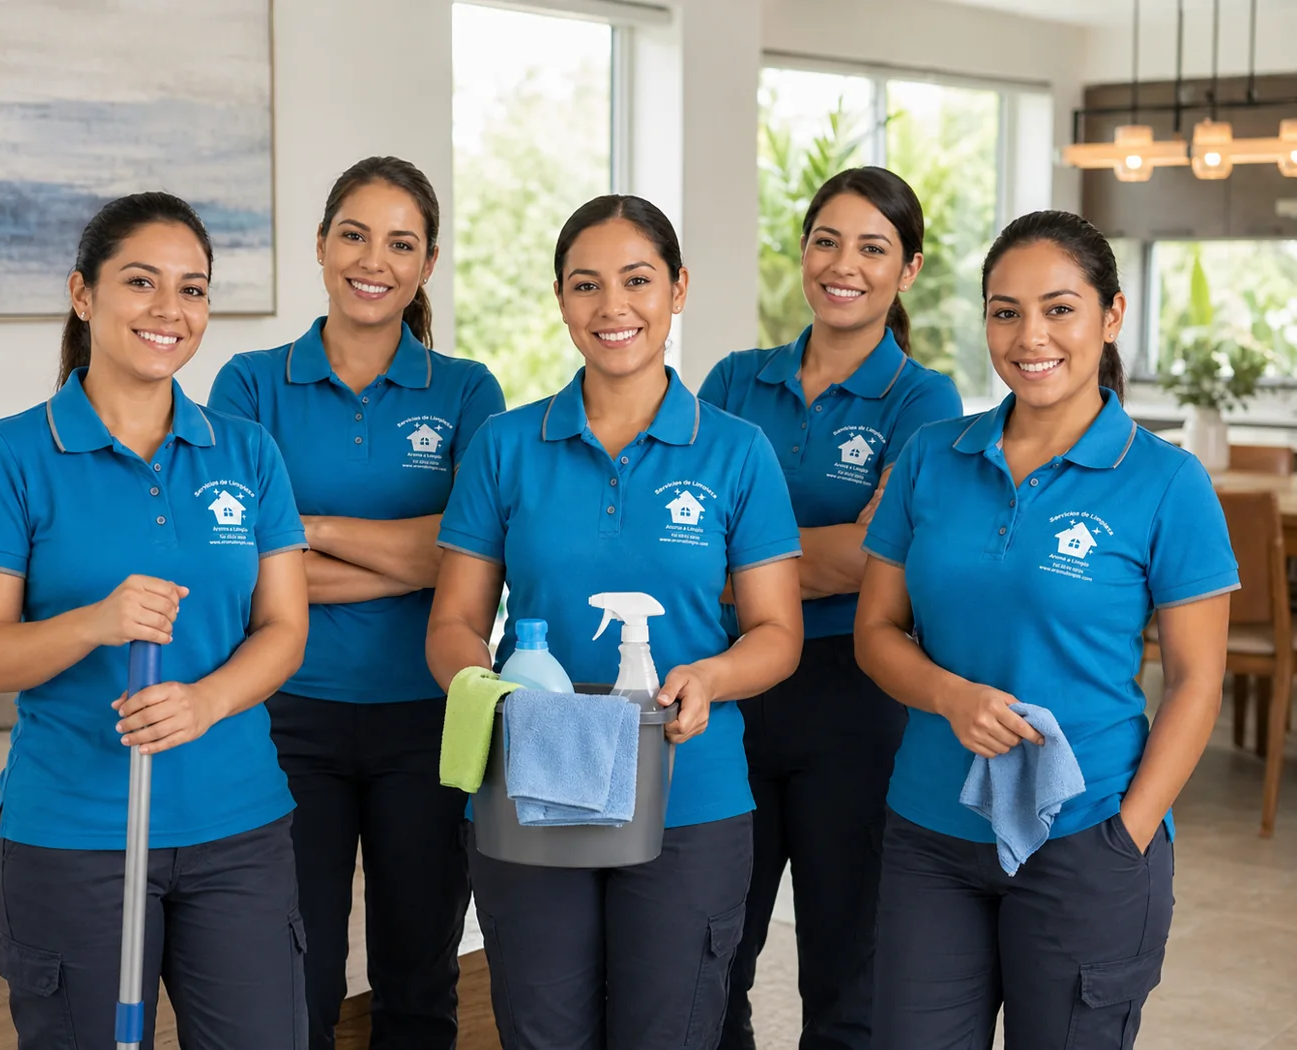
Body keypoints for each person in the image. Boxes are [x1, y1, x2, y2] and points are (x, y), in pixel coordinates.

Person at [425, 193, 804, 1050]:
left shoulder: (735, 451)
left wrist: (709, 678)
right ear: (561, 299)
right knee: (542, 1031)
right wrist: (495, 697)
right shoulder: (508, 447)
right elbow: (453, 623)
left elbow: (776, 634)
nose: (612, 307)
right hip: (529, 788)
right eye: (586, 285)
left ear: (677, 290)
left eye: (637, 280)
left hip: (689, 795)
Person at [854, 210, 1236, 1050]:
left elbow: (1198, 681)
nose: (1031, 336)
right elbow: (877, 630)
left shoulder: (1167, 483)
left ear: (1111, 315)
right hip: (930, 834)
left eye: (1060, 308)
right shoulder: (929, 455)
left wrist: (1127, 836)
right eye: (1005, 310)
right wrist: (950, 697)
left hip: (1087, 836)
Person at [0, 192, 311, 1049]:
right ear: (83, 294)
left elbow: (284, 629)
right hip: (74, 836)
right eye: (141, 282)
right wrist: (96, 622)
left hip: (239, 829)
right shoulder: (13, 453)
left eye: (193, 289)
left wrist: (206, 702)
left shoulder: (247, 450)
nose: (169, 311)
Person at [207, 157, 505, 1050]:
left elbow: (475, 564)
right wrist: (421, 555)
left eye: (401, 242)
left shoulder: (467, 391)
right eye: (355, 234)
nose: (374, 259)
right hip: (285, 715)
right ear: (322, 245)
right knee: (292, 969)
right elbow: (242, 573)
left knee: (419, 973)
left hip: (432, 717)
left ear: (427, 263)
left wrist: (307, 531)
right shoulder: (249, 385)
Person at [701, 166, 961, 1050]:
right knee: (709, 952)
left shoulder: (925, 403)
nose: (843, 264)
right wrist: (788, 563)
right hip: (728, 694)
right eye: (826, 240)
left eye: (872, 247)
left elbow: (871, 557)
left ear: (909, 270)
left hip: (854, 700)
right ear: (803, 252)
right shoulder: (736, 380)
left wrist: (741, 563)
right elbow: (689, 541)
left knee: (847, 967)